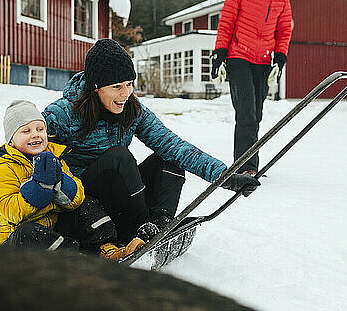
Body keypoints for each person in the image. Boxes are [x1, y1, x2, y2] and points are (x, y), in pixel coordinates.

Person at [43, 39, 260, 243]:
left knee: (171, 159)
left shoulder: (132, 110)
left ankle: (159, 225)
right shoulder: (62, 114)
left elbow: (174, 146)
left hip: (122, 201)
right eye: (117, 87)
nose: (126, 93)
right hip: (86, 206)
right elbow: (25, 153)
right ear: (96, 87)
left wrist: (225, 177)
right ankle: (140, 226)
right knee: (119, 156)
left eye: (129, 84)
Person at [0, 99, 144, 260]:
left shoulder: (53, 157)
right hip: (15, 243)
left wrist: (60, 184)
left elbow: (77, 199)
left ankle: (106, 249)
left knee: (86, 204)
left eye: (40, 129)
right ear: (11, 141)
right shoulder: (5, 166)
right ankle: (74, 260)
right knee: (27, 232)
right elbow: (10, 211)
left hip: (54, 233)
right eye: (26, 131)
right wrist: (39, 189)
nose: (35, 134)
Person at [211, 0, 293, 175]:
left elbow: (284, 31)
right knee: (246, 111)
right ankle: (245, 168)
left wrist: (281, 56)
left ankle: (248, 164)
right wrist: (220, 54)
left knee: (256, 113)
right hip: (239, 57)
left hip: (263, 62)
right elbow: (226, 23)